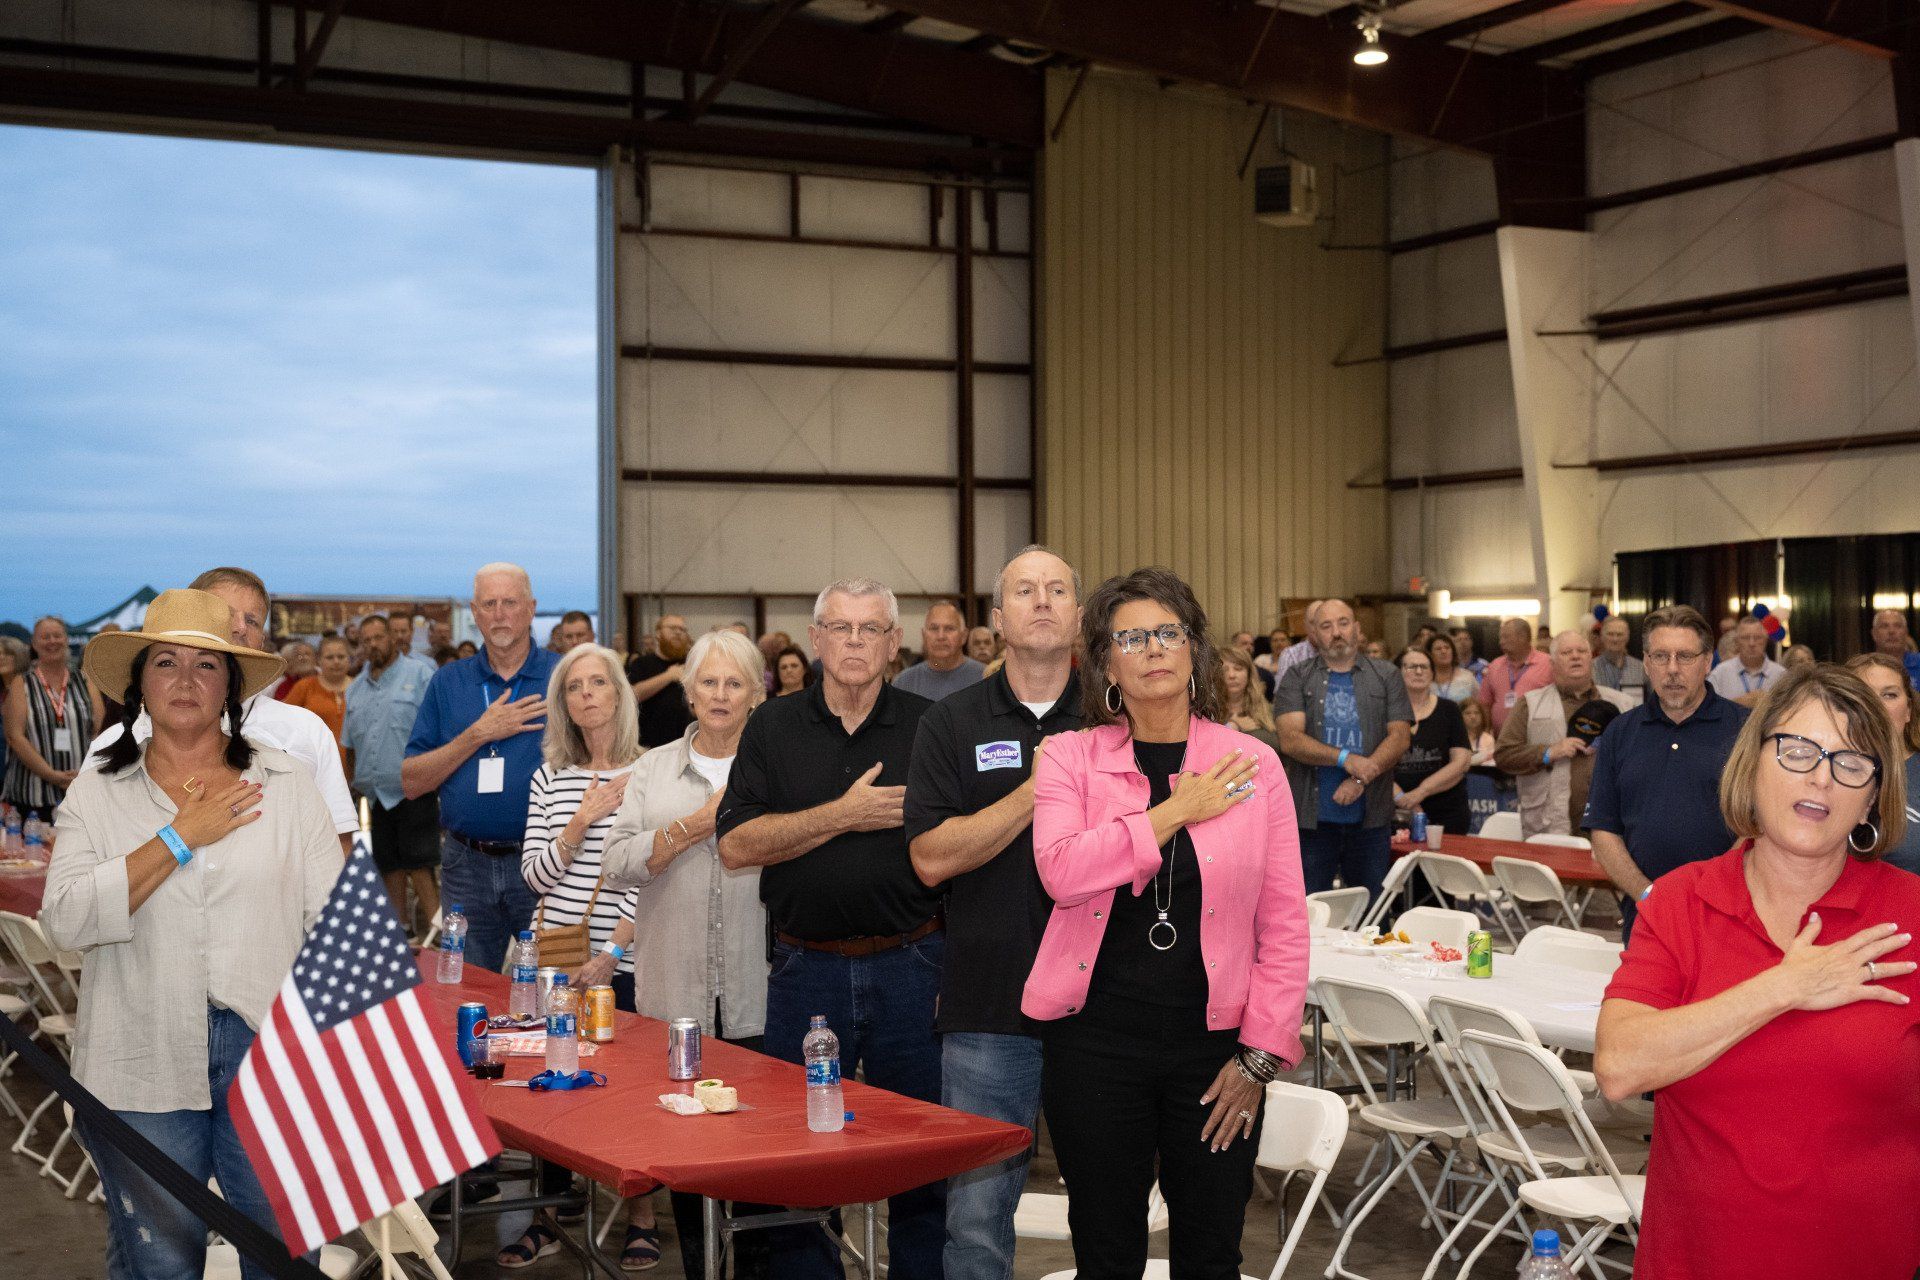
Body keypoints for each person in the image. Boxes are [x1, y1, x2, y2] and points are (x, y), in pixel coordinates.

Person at [44, 589, 339, 1279]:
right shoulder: (98, 791)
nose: (185, 680)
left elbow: (331, 925)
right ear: (139, 685)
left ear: (230, 687)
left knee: (283, 1255)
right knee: (162, 1263)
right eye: (165, 662)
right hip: (139, 1050)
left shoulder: (286, 784)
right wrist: (179, 837)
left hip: (268, 1050)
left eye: (206, 665)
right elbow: (64, 920)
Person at [1025, 566, 1308, 1280]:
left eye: (1168, 632)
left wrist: (1259, 1059)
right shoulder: (1068, 757)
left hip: (1215, 1052)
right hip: (1094, 1044)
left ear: (1194, 651)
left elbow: (1284, 924)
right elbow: (1061, 871)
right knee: (1106, 1250)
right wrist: (1176, 810)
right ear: (1105, 664)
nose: (1152, 648)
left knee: (1211, 1252)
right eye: (1131, 638)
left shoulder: (1254, 766)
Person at [1593, 664, 1920, 1280]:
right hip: (1694, 1265)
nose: (1821, 777)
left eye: (1852, 763)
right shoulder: (1682, 901)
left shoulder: (1912, 916)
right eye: (1797, 750)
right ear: (1754, 763)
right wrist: (1784, 987)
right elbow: (1619, 1066)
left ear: (1873, 797)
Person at [716, 577, 944, 1280]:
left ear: (893, 642)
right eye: (839, 628)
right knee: (800, 1158)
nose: (854, 641)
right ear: (815, 640)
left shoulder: (931, 725)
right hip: (804, 970)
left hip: (913, 965)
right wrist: (843, 815)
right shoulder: (773, 726)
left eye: (870, 629)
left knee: (921, 1150)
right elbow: (735, 845)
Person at [905, 547, 1083, 1280]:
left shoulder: (1118, 718)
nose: (1041, 601)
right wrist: (1036, 791)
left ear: (1079, 614)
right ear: (999, 618)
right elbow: (930, 858)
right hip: (987, 1004)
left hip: (1105, 1004)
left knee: (1112, 1213)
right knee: (976, 1225)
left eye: (1057, 590)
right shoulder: (951, 723)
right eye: (1024, 590)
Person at [602, 629, 768, 1280]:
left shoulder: (775, 763)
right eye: (708, 682)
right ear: (689, 693)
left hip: (762, 989)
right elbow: (618, 861)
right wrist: (697, 825)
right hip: (675, 992)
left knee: (760, 1150)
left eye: (734, 683)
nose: (720, 694)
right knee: (689, 1150)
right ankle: (702, 1269)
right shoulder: (651, 769)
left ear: (756, 694)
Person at [502, 641, 655, 1271]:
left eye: (597, 682)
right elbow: (534, 877)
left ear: (619, 693)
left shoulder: (649, 771)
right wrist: (581, 819)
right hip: (556, 959)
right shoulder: (549, 777)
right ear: (563, 703)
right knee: (553, 1087)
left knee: (631, 1089)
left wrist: (612, 955)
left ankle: (642, 1219)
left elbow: (650, 876)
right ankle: (548, 1214)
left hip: (623, 956)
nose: (586, 694)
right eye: (573, 686)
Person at [85, 568, 358, 856]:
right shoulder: (115, 744)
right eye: (225, 614)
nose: (239, 627)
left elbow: (338, 839)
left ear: (262, 640)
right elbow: (88, 857)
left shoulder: (305, 729)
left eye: (252, 620)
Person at [402, 562, 561, 973]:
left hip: (545, 862)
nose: (500, 614)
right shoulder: (448, 682)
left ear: (531, 608)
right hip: (466, 865)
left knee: (551, 985)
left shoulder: (562, 677)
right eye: (489, 604)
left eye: (510, 602)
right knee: (467, 987)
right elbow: (413, 781)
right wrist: (478, 734)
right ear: (474, 612)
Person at [1585, 606, 1750, 942]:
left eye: (1685, 656)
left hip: (1727, 915)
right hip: (1645, 916)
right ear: (1646, 663)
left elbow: (1760, 825)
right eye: (1661, 656)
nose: (1672, 669)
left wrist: (1711, 893)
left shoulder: (1745, 729)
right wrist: (1648, 894)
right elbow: (1604, 831)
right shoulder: (1620, 733)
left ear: (1707, 662)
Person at [1275, 598, 1411, 901]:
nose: (1336, 632)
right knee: (1311, 911)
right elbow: (1290, 739)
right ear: (1314, 635)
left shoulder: (1386, 674)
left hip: (1371, 820)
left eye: (1343, 623)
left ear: (1357, 629)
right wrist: (1345, 759)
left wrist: (1361, 777)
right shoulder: (1297, 676)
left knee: (1372, 911)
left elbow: (1400, 737)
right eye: (1326, 626)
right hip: (1312, 822)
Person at [342, 613, 439, 933]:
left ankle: (439, 936)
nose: (373, 644)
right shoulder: (355, 688)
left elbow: (439, 730)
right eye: (366, 640)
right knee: (387, 866)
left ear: (392, 639)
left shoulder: (421, 674)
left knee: (420, 864)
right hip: (372, 794)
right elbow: (350, 745)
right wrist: (353, 785)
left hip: (413, 788)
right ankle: (401, 931)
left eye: (378, 637)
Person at [1495, 631, 1633, 838]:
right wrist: (1548, 752)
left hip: (1610, 827)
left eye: (1582, 651)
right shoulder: (1530, 704)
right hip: (1549, 827)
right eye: (1567, 652)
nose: (1575, 656)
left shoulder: (1622, 704)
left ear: (1591, 658)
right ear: (1552, 663)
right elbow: (1504, 755)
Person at [3, 615, 102, 822]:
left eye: (57, 635)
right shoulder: (22, 683)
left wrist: (85, 772)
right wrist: (51, 775)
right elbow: (14, 737)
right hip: (32, 795)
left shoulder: (85, 680)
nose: (52, 641)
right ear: (34, 643)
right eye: (45, 637)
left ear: (66, 639)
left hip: (80, 789)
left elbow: (98, 730)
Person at [1846, 652, 1920, 877]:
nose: (1877, 706)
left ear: (1908, 710)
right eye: (1864, 694)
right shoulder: (1822, 771)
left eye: (1889, 695)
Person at [1393, 647, 1472, 838]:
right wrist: (1401, 798)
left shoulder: (1449, 710)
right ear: (1398, 672)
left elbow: (1461, 762)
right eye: (1411, 667)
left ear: (1432, 673)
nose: (1419, 671)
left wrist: (1421, 792)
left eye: (1424, 667)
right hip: (1395, 813)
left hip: (1447, 812)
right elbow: (1375, 763)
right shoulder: (1385, 712)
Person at [894, 601, 987, 702]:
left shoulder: (986, 678)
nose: (941, 636)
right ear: (924, 635)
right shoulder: (904, 683)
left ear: (964, 636)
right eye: (934, 628)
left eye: (949, 628)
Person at [1476, 617, 1552, 736]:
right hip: (1501, 740)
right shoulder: (1494, 666)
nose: (1501, 642)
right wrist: (1486, 732)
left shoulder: (1548, 664)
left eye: (1505, 637)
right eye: (1501, 638)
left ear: (1523, 637)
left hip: (1538, 739)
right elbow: (1485, 704)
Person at [628, 614, 693, 748]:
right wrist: (668, 676)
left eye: (682, 629)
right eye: (672, 628)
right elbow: (631, 695)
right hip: (649, 746)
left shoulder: (692, 664)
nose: (678, 632)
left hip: (686, 745)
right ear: (658, 633)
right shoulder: (642, 663)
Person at [280, 634, 351, 749]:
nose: (336, 661)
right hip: (314, 757)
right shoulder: (304, 686)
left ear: (349, 659)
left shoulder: (360, 687)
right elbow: (283, 723)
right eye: (330, 657)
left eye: (341, 657)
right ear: (319, 660)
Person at [1708, 616, 1786, 706]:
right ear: (1737, 641)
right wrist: (1737, 704)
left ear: (1766, 640)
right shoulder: (1720, 673)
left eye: (1757, 638)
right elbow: (1708, 708)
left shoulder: (1781, 675)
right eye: (1745, 638)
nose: (1751, 643)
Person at [1216, 645, 1279, 752]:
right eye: (1224, 670)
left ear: (1249, 674)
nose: (1231, 675)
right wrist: (1232, 726)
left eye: (1238, 669)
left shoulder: (1271, 711)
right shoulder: (1208, 713)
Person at [1592, 616, 1647, 704]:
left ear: (1627, 637)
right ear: (1602, 636)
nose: (1615, 639)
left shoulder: (1641, 668)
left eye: (1619, 634)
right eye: (1610, 634)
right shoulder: (1591, 668)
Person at [1270, 600, 1322, 684]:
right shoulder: (1291, 656)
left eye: (1324, 623)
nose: (1318, 627)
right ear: (1305, 625)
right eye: (1313, 622)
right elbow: (1284, 690)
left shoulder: (1342, 654)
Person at [1870, 608, 1920, 686]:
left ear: (1906, 633)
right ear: (1874, 634)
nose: (1891, 631)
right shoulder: (1864, 667)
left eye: (1897, 626)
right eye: (1884, 626)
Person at [1426, 633, 1477, 702]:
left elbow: (1479, 703)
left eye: (1447, 648)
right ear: (1430, 654)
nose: (1443, 651)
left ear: (1453, 651)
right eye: (1438, 649)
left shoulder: (1467, 676)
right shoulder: (1424, 678)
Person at [1459, 697, 1496, 765]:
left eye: (1477, 713)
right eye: (1468, 713)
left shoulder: (1488, 739)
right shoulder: (1455, 738)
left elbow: (1492, 763)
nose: (1473, 717)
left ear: (1482, 716)